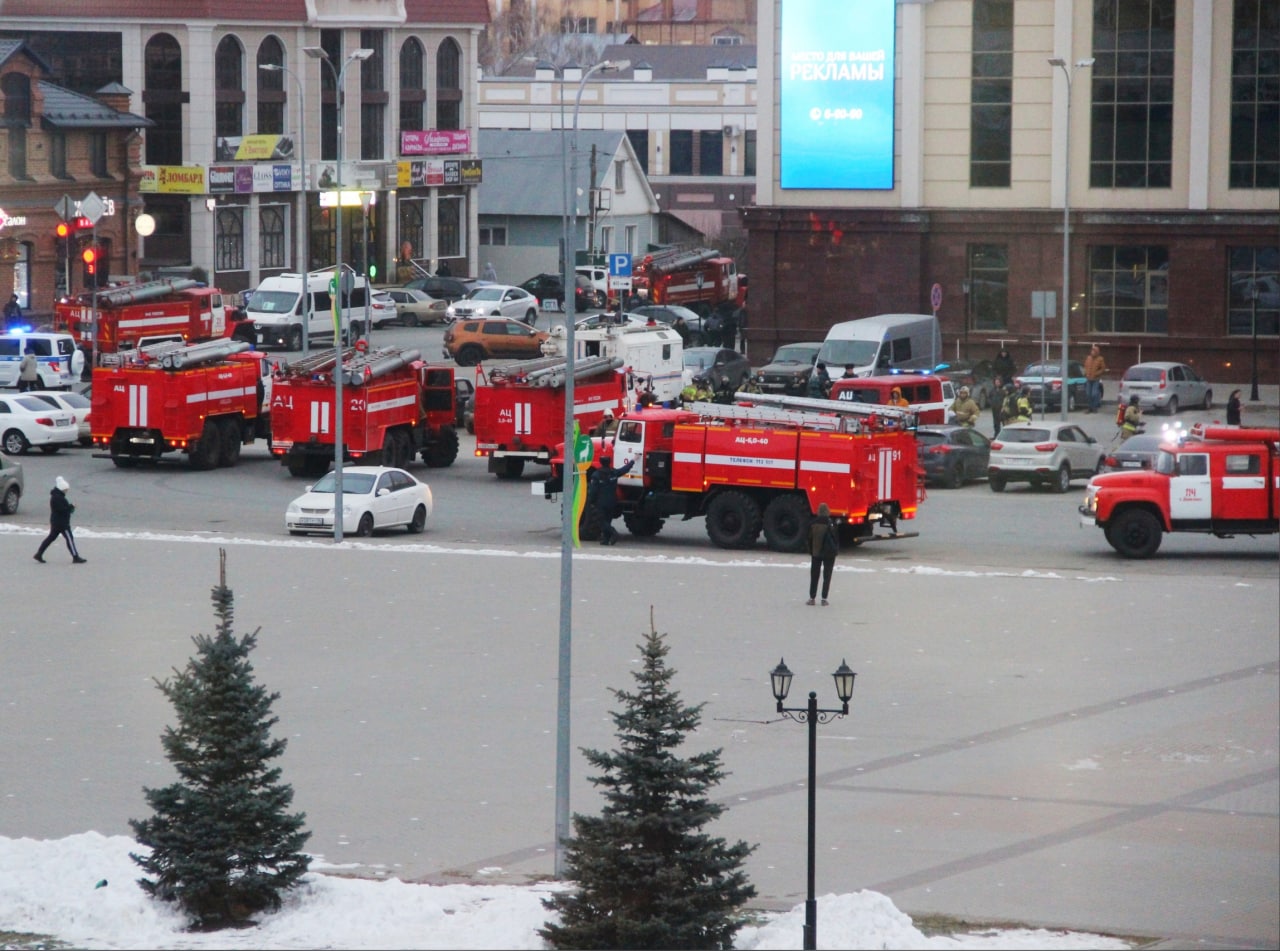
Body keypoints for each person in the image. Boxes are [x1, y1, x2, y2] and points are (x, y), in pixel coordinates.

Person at [34, 476, 87, 565]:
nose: (67, 491)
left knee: (51, 538)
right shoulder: (58, 498)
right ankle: (75, 556)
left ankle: (39, 553)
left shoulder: (56, 496)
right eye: (66, 489)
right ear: (62, 489)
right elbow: (63, 510)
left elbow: (61, 509)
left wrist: (69, 507)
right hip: (62, 523)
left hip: (56, 522)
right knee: (69, 539)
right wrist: (71, 507)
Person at [591, 452, 635, 545]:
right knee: (608, 520)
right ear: (609, 462)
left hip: (601, 502)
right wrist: (633, 461)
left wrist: (591, 501)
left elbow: (593, 491)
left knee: (602, 521)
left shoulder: (596, 475)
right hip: (612, 501)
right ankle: (605, 540)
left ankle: (613, 532)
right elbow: (624, 469)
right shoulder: (614, 473)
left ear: (600, 463)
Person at [806, 502, 839, 606]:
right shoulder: (831, 524)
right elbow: (836, 538)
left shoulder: (813, 523)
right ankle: (824, 599)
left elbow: (808, 538)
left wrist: (811, 550)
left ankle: (812, 598)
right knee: (827, 576)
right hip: (829, 554)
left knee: (814, 576)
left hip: (816, 553)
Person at [1083, 344, 1108, 414]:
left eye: (1094, 351)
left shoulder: (1100, 359)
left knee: (1094, 394)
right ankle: (1089, 407)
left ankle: (1094, 407)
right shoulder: (1088, 358)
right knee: (1088, 394)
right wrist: (1085, 373)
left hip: (1095, 379)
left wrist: (1097, 373)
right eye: (1092, 351)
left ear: (1097, 352)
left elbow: (1103, 368)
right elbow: (1085, 366)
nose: (1092, 352)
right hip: (1088, 378)